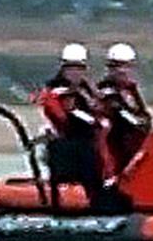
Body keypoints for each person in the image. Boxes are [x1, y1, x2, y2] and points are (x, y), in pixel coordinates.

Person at [35, 43, 116, 209]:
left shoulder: (86, 90)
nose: (75, 72)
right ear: (64, 68)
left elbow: (100, 109)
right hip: (73, 149)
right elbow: (66, 118)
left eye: (79, 67)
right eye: (71, 67)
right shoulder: (58, 93)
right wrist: (95, 121)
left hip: (95, 148)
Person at [97, 42, 153, 175]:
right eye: (116, 66)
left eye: (126, 66)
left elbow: (144, 119)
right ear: (109, 68)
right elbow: (132, 122)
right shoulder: (106, 93)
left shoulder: (131, 91)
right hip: (116, 154)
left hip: (133, 152)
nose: (122, 70)